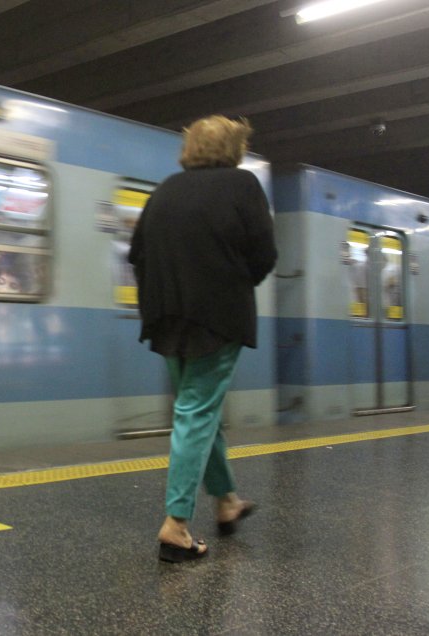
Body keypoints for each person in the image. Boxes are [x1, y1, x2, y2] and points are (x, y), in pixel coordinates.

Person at [127, 115, 276, 563]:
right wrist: (232, 283)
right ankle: (176, 525)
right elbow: (265, 254)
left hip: (165, 315)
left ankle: (227, 501)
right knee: (197, 409)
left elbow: (137, 254)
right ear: (235, 149)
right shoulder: (243, 185)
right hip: (218, 316)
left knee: (196, 406)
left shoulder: (165, 189)